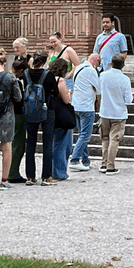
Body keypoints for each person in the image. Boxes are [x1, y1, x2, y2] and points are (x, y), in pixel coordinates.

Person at [46, 32, 82, 180]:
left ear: (60, 40)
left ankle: (52, 170)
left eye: (54, 41)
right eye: (51, 42)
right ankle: (59, 171)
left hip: (66, 81)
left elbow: (77, 65)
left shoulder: (69, 50)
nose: (52, 44)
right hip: (60, 94)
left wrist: (69, 75)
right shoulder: (51, 53)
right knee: (61, 142)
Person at [22, 52, 56, 186]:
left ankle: (30, 176)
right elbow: (55, 92)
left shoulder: (25, 74)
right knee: (47, 143)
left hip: (30, 109)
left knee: (30, 143)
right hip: (47, 110)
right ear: (45, 61)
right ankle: (46, 176)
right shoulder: (48, 75)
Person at [0, 49, 21, 187]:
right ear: (5, 62)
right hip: (7, 113)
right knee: (6, 146)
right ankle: (4, 179)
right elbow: (18, 97)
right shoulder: (10, 77)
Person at [98, 52, 133, 173]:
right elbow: (128, 99)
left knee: (105, 138)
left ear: (111, 63)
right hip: (118, 113)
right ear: (123, 65)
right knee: (114, 139)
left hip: (104, 112)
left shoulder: (103, 75)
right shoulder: (125, 79)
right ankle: (110, 165)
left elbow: (98, 91)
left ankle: (104, 163)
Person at [67, 52, 102, 171]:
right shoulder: (91, 71)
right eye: (99, 63)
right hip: (86, 107)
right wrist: (99, 103)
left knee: (81, 134)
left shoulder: (78, 68)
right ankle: (74, 159)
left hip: (75, 105)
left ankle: (85, 160)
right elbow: (98, 89)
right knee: (85, 136)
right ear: (95, 61)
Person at [7, 37, 30, 182]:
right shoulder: (16, 63)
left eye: (17, 47)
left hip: (16, 109)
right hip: (19, 110)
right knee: (18, 143)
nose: (15, 50)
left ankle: (12, 172)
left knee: (17, 142)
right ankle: (12, 173)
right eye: (14, 48)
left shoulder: (29, 59)